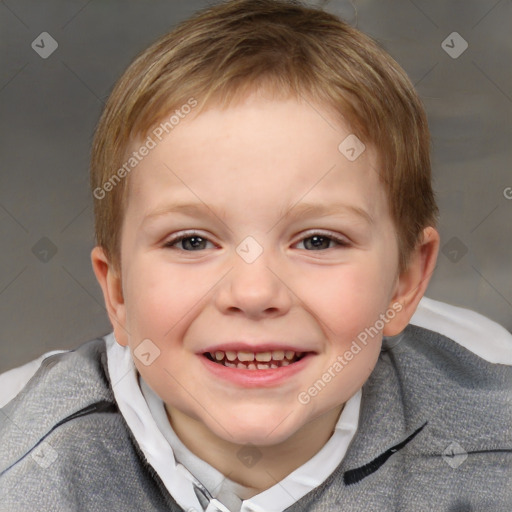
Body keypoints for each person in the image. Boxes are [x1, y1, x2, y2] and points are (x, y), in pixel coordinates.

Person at [1, 1, 511, 510]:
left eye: (317, 241)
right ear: (117, 292)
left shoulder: (492, 450)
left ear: (405, 282)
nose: (253, 293)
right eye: (192, 242)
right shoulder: (25, 473)